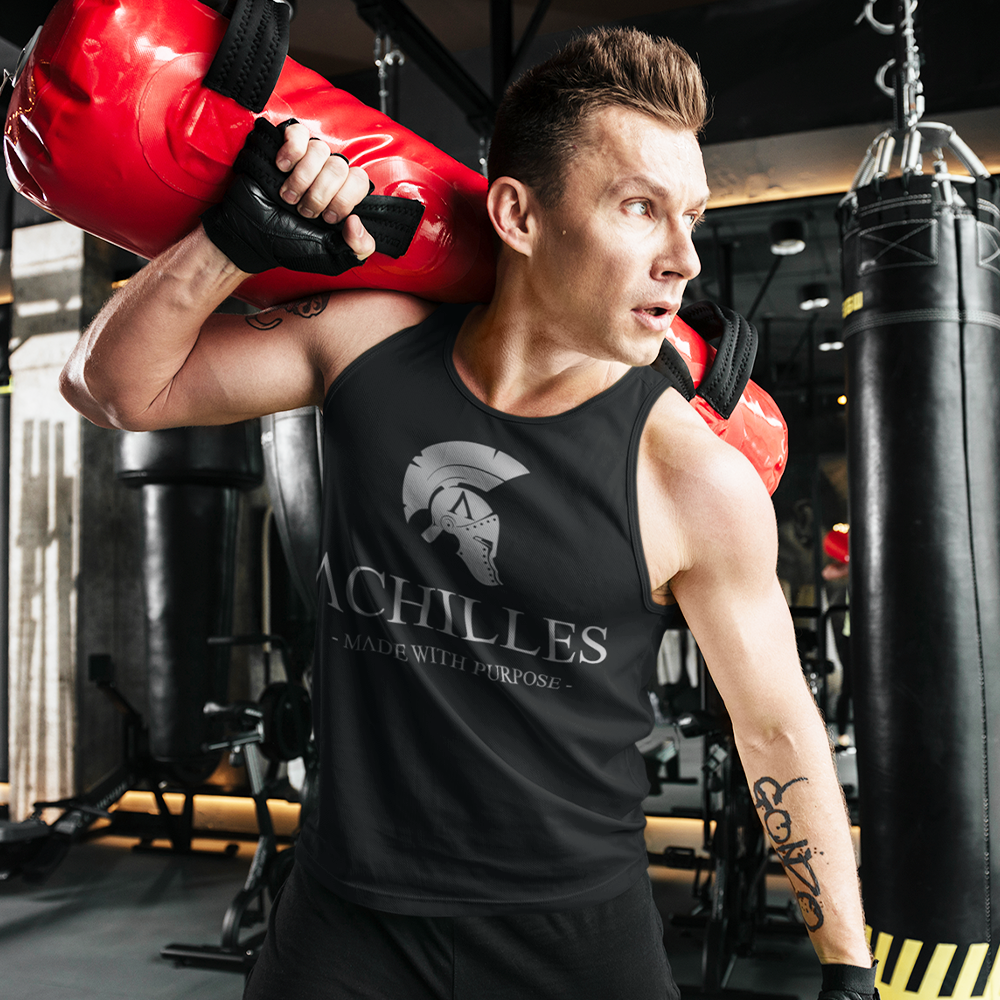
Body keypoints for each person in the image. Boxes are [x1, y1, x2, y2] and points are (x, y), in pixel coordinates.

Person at [60, 27, 875, 1000]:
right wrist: (230, 245)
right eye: (639, 209)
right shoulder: (368, 344)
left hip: (578, 941)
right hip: (345, 923)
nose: (683, 258)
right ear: (518, 216)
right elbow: (111, 389)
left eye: (691, 216)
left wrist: (846, 968)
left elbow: (777, 727)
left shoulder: (690, 476)